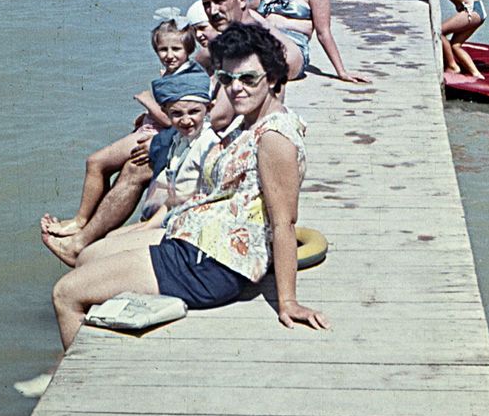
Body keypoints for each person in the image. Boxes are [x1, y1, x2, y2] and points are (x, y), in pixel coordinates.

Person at [50, 23, 329, 350]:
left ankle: (77, 379)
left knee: (65, 293)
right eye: (227, 79)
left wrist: (288, 301)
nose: (236, 88)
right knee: (89, 255)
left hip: (212, 264)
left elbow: (284, 222)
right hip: (198, 237)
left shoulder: (274, 139)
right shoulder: (248, 120)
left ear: (272, 78)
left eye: (248, 78)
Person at [42, 18, 207, 263]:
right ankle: (84, 225)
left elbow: (180, 115)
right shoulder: (176, 72)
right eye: (163, 50)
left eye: (176, 49)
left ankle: (81, 226)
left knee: (100, 162)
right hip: (154, 130)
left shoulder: (187, 76)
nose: (169, 55)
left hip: (158, 135)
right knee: (99, 163)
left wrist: (148, 101)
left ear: (188, 49)